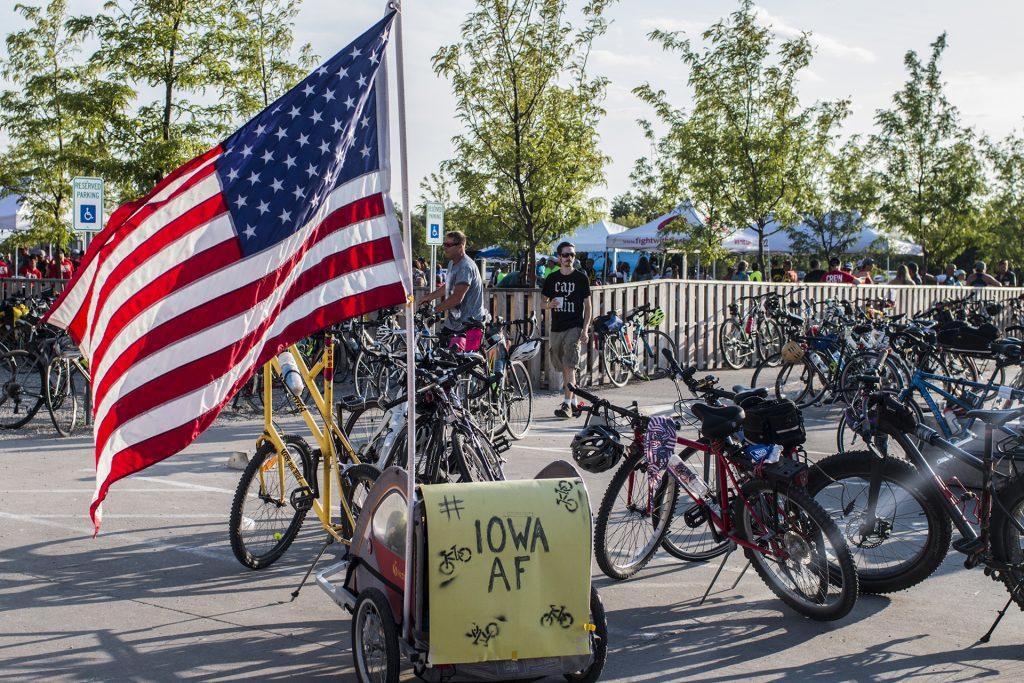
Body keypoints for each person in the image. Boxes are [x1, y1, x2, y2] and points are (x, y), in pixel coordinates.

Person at [542, 241, 592, 419]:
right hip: (556, 327)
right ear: (559, 257)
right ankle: (575, 402)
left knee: (569, 365)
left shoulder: (581, 278)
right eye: (565, 255)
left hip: (574, 326)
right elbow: (542, 302)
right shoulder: (552, 278)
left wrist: (585, 330)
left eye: (571, 255)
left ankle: (566, 404)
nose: (568, 258)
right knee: (561, 365)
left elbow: (588, 306)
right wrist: (550, 305)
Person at [417, 230, 486, 351]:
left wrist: (433, 310)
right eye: (444, 244)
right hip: (454, 323)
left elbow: (456, 298)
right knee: (439, 357)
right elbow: (447, 286)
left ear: (460, 246)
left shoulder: (466, 267)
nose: (445, 248)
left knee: (461, 365)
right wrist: (429, 297)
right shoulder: (452, 263)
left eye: (448, 245)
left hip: (469, 325)